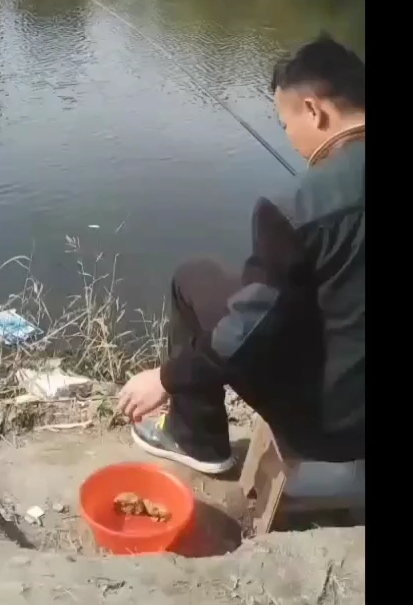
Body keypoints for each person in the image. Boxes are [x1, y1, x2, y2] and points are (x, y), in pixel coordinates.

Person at [118, 34, 365, 488]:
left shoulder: (292, 207)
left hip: (336, 428)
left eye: (285, 123)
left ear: (314, 110)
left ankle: (195, 438)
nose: (290, 137)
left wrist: (166, 378)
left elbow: (246, 336)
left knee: (193, 277)